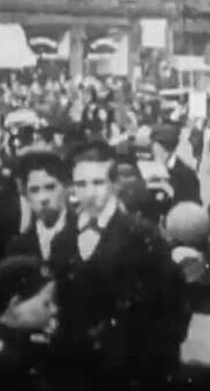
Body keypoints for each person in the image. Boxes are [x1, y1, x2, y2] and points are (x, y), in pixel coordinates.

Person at [57, 137, 190, 391]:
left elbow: (173, 305)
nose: (90, 193)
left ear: (114, 185)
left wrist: (155, 363)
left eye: (98, 183)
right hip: (79, 372)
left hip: (133, 370)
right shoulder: (65, 238)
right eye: (81, 184)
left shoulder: (142, 235)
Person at [0, 255, 58, 391]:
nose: (54, 310)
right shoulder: (0, 361)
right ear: (15, 305)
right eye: (46, 303)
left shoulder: (31, 342)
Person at [7, 148, 77, 276]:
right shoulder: (18, 247)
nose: (43, 198)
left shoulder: (84, 234)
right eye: (34, 190)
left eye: (50, 187)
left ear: (67, 187)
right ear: (26, 195)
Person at [151, 123, 201, 205]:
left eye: (155, 146)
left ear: (163, 149)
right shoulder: (156, 171)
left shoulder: (187, 175)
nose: (153, 151)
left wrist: (170, 193)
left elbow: (194, 208)